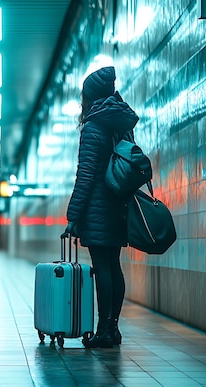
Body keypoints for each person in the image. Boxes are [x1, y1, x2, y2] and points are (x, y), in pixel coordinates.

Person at [65, 66, 139, 348]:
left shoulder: (93, 127)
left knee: (102, 267)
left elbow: (85, 176)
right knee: (114, 266)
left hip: (98, 207)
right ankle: (113, 328)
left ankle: (104, 330)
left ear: (90, 97)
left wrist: (73, 216)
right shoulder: (120, 125)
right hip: (119, 205)